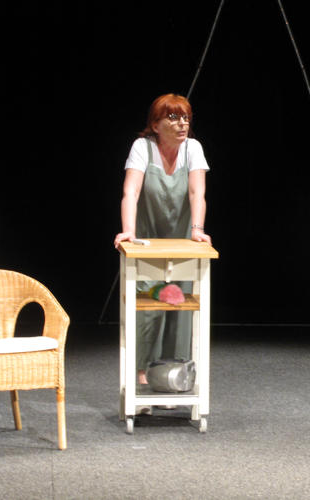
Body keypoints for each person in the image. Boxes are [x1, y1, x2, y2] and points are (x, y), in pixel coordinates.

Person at [114, 93, 212, 386]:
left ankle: (172, 375)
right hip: (148, 237)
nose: (182, 124)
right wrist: (128, 230)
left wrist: (197, 229)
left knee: (180, 307)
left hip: (181, 239)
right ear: (155, 125)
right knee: (148, 306)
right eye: (173, 118)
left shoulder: (193, 148)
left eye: (185, 118)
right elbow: (131, 191)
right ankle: (142, 374)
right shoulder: (142, 147)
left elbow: (197, 192)